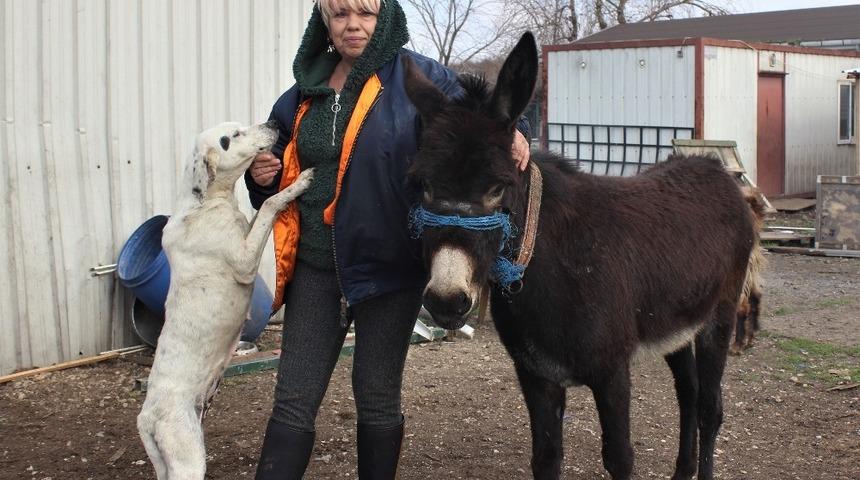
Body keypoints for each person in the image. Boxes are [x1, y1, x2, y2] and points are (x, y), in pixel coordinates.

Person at [246, 1, 530, 478]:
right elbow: (279, 162)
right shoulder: (303, 92)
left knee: (377, 395)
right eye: (340, 15)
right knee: (294, 397)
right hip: (316, 266)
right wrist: (261, 175)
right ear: (325, 23)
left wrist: (516, 132)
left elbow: (484, 116)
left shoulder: (420, 79)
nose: (353, 26)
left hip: (389, 267)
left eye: (366, 14)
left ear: (385, 19)